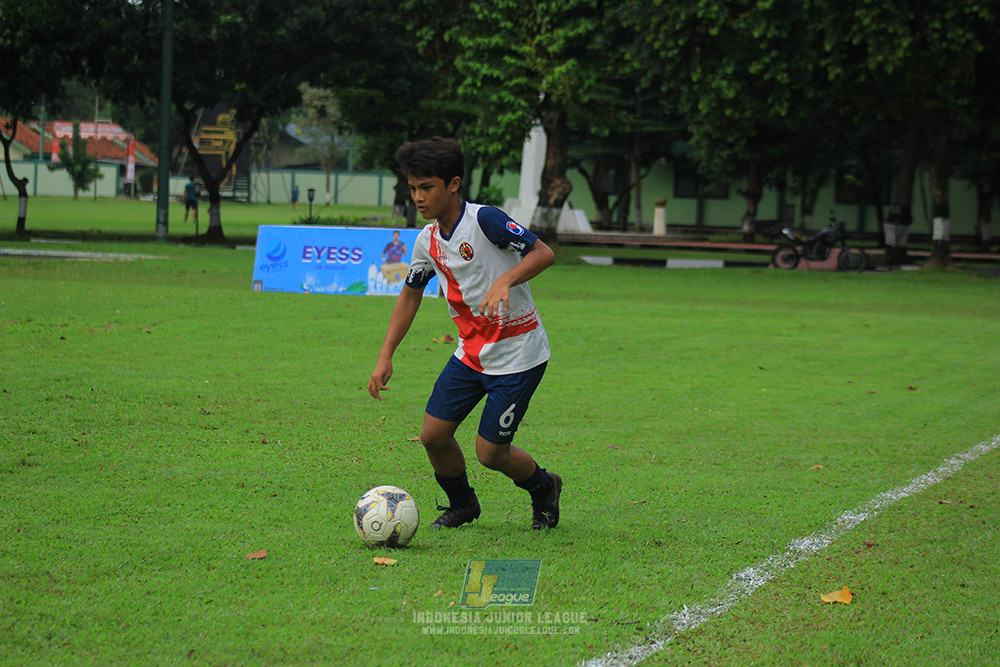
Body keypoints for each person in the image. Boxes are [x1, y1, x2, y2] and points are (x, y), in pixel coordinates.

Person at [368, 136, 561, 531]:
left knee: (491, 454)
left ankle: (545, 488)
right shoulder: (427, 241)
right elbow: (410, 295)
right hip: (471, 354)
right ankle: (463, 505)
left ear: (453, 184)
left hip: (518, 356)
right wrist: (386, 354)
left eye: (427, 187)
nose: (418, 197)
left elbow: (544, 253)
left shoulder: (485, 220)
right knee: (433, 436)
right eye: (413, 188)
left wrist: (505, 279)